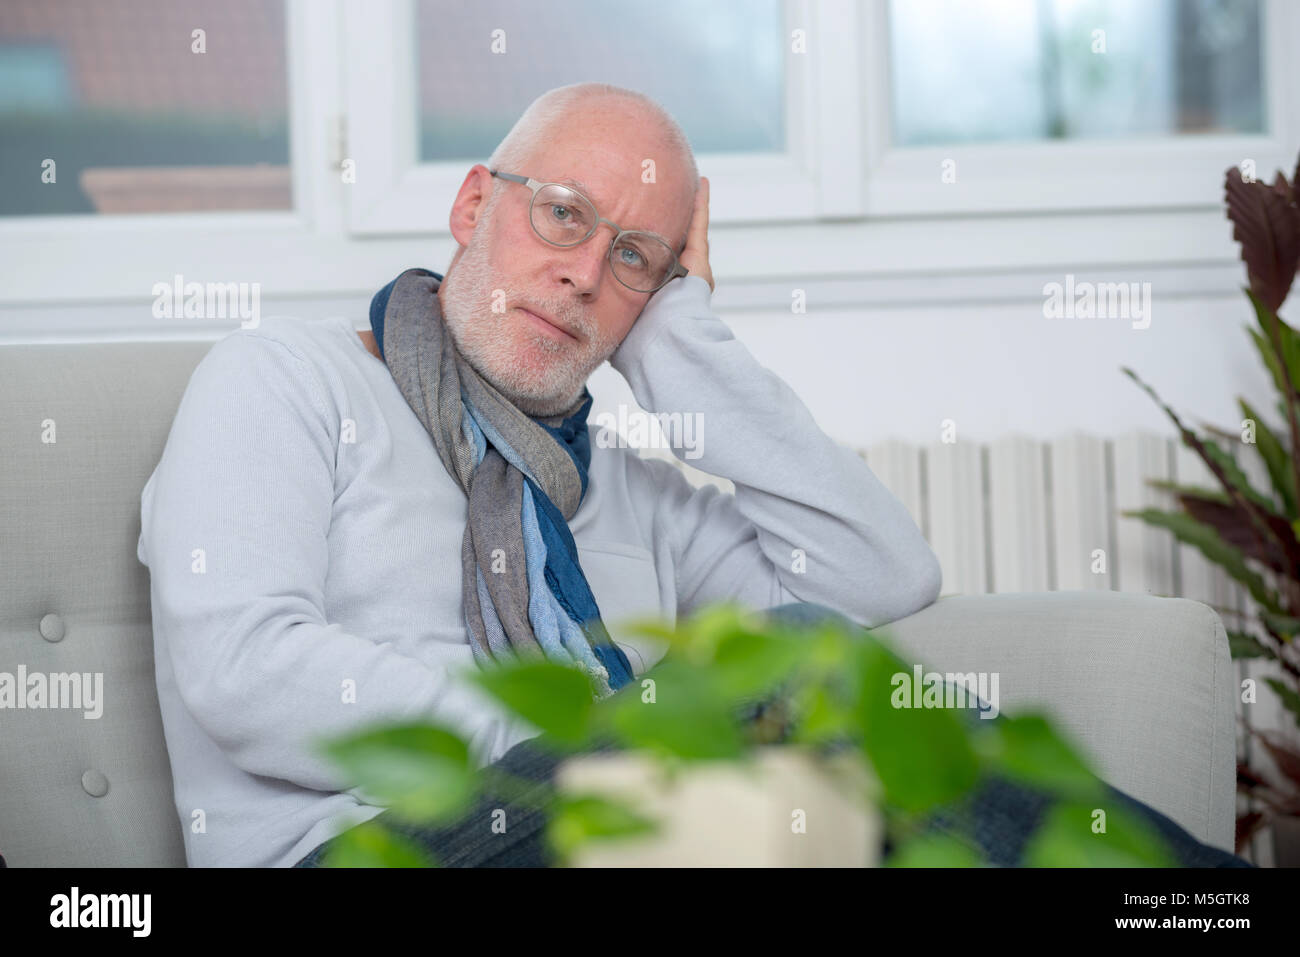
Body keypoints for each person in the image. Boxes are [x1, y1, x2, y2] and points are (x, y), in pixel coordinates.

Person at [137, 82, 1241, 869]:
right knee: (753, 695)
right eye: (562, 214)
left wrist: (677, 338)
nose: (578, 273)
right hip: (370, 842)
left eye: (631, 260)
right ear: (475, 205)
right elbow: (242, 667)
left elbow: (881, 577)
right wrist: (593, 737)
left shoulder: (621, 493)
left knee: (807, 675)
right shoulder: (284, 382)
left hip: (616, 833)